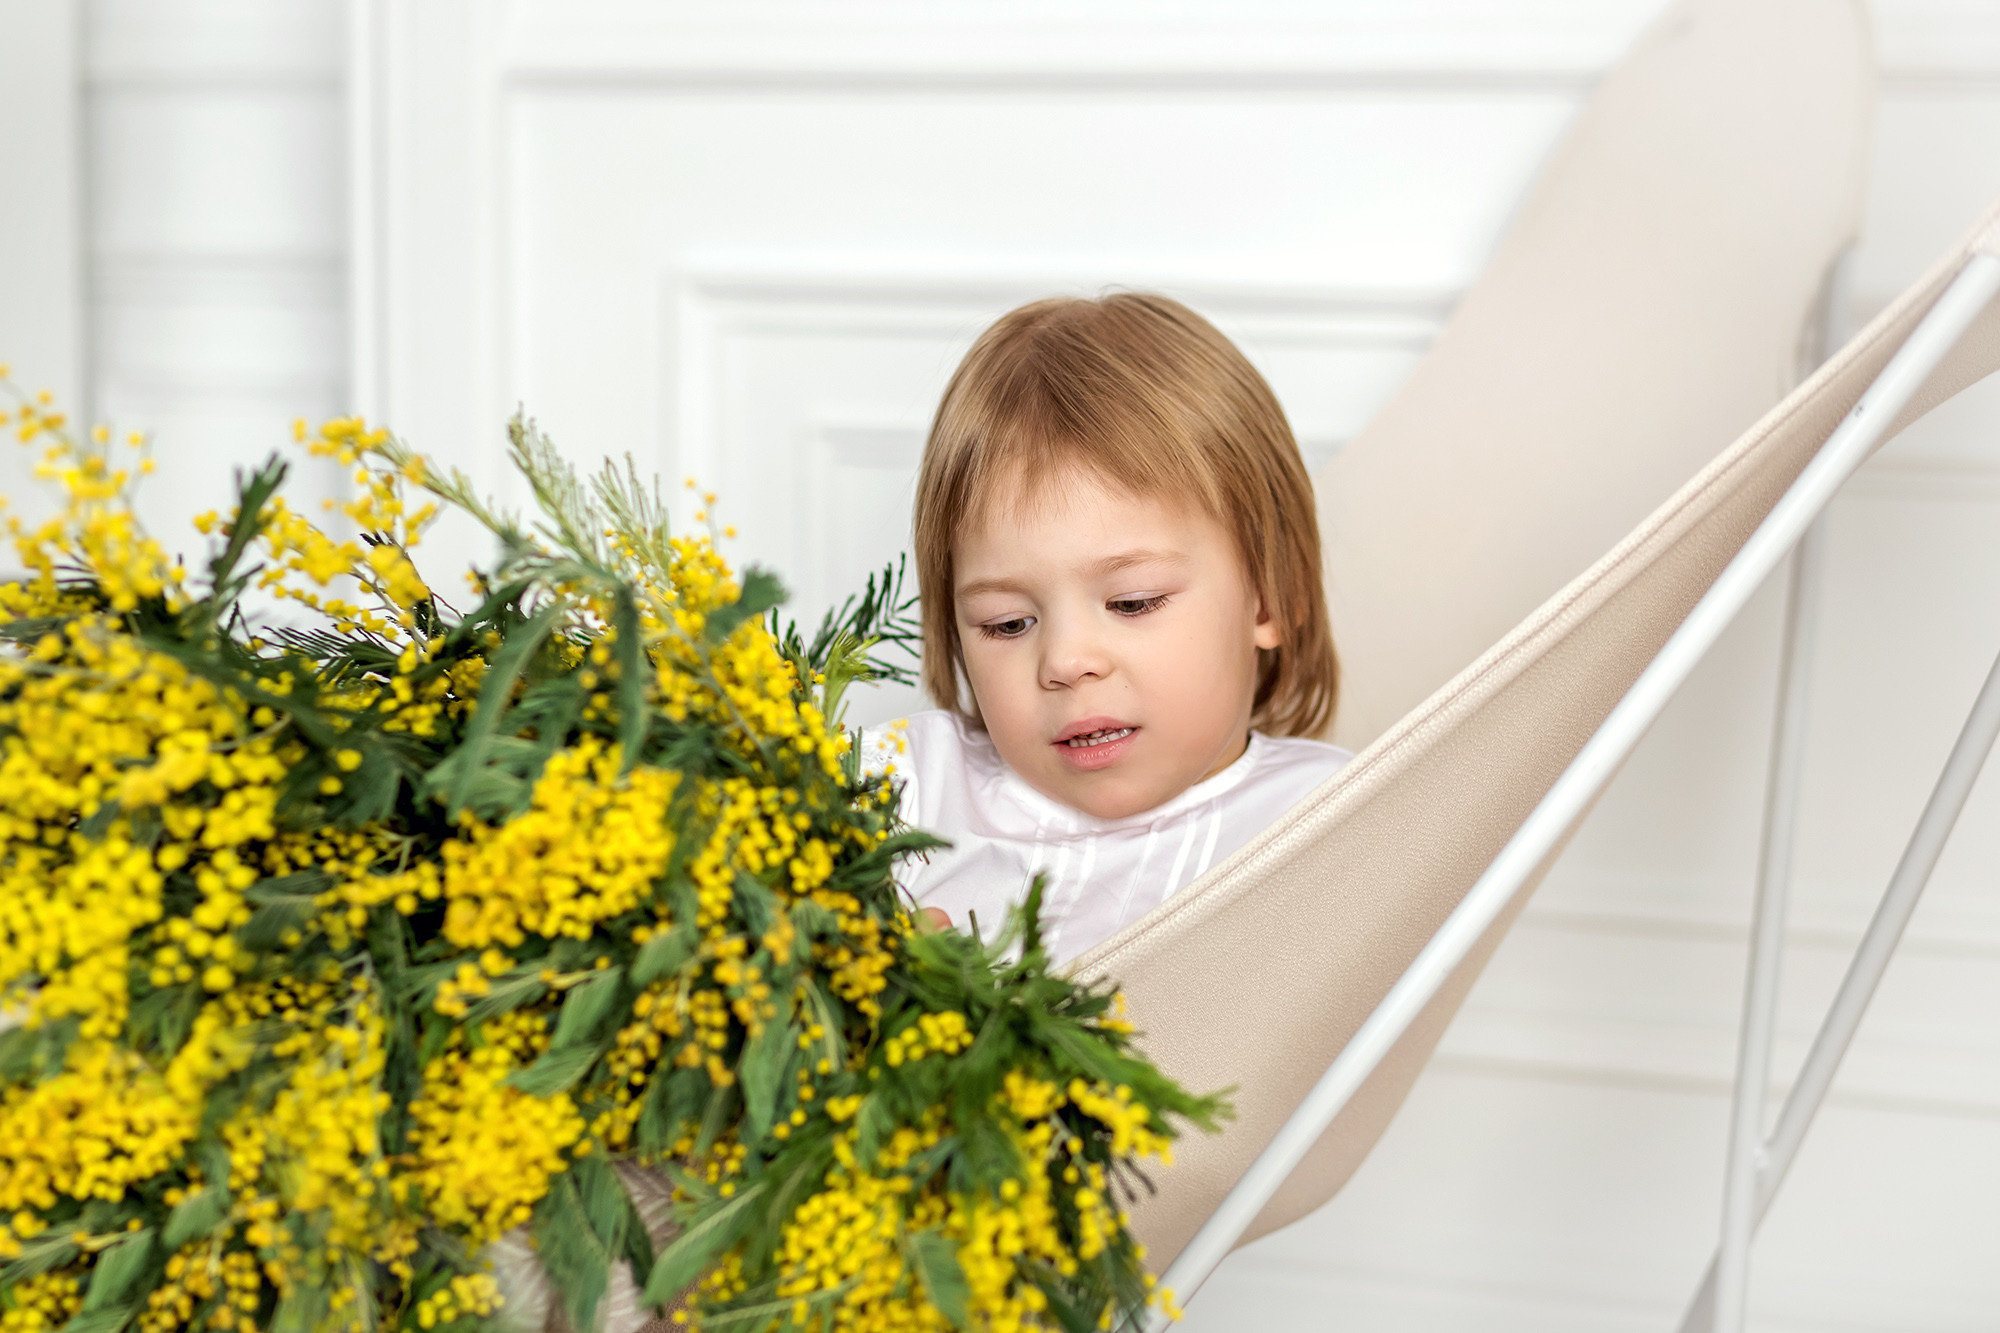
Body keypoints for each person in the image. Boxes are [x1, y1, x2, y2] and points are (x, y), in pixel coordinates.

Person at [860, 292, 1351, 964]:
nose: (1065, 659)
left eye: (1133, 602)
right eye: (1007, 624)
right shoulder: (906, 787)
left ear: (1267, 598)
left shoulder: (1337, 821)